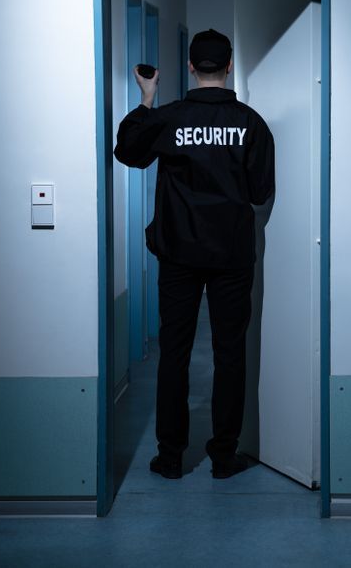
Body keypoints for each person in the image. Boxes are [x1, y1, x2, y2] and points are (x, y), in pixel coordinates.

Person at [114, 29, 275, 480]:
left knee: (175, 354)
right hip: (231, 256)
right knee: (229, 355)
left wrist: (146, 99)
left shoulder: (168, 118)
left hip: (178, 255)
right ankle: (223, 456)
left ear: (189, 67)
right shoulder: (250, 124)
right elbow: (262, 191)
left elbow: (127, 151)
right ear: (228, 66)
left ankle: (170, 456)